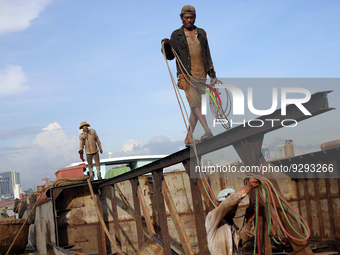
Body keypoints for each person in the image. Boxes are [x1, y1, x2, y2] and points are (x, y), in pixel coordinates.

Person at [162, 5, 216, 146]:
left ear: (195, 18)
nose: (189, 20)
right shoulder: (176, 35)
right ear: (181, 18)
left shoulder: (202, 33)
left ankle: (188, 138)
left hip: (201, 75)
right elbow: (170, 56)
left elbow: (207, 54)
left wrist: (212, 74)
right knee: (195, 103)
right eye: (186, 18)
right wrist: (166, 46)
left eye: (191, 17)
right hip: (185, 75)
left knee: (195, 108)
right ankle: (207, 130)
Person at [205, 178, 260, 255]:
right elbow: (227, 205)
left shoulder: (231, 226)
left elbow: (240, 241)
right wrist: (247, 188)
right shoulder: (212, 218)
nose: (233, 210)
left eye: (235, 207)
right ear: (218, 204)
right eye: (231, 208)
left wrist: (249, 222)